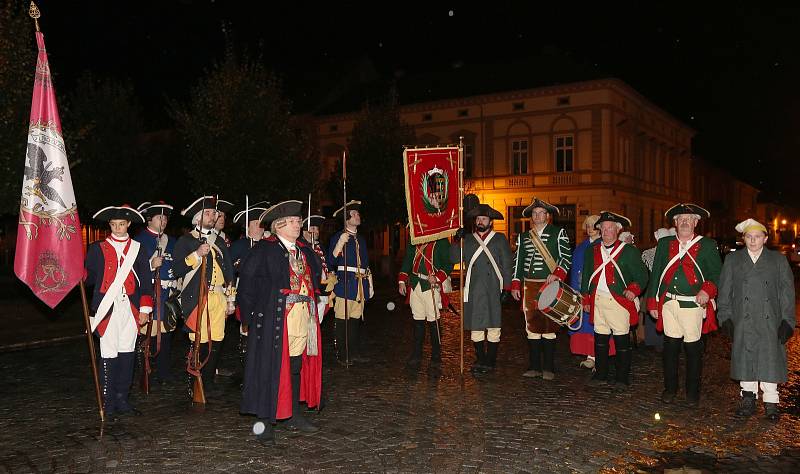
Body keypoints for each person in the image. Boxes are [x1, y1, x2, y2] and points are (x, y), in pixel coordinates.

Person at [238, 200, 323, 443]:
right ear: (279, 225)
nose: (299, 225)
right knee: (269, 368)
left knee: (295, 365)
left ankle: (293, 414)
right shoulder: (264, 250)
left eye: (299, 221)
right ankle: (265, 423)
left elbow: (315, 275)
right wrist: (248, 317)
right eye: (295, 222)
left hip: (301, 316)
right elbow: (247, 284)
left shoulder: (303, 249)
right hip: (273, 319)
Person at [717, 218, 796, 420]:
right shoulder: (733, 260)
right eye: (749, 237)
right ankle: (747, 399)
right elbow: (725, 291)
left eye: (757, 237)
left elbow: (787, 293)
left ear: (765, 239)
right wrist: (724, 316)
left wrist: (788, 320)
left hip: (770, 320)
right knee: (745, 358)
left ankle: (771, 403)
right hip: (742, 319)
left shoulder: (778, 260)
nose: (753, 241)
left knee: (770, 359)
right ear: (744, 239)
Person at [645, 204, 721, 407]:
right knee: (670, 348)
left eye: (690, 219)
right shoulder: (665, 244)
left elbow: (716, 274)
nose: (685, 222)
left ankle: (692, 392)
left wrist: (707, 289)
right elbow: (656, 274)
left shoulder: (707, 244)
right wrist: (652, 301)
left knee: (693, 350)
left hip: (692, 306)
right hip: (669, 303)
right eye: (681, 219)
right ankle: (670, 389)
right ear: (675, 223)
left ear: (696, 223)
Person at [85, 205, 153, 417]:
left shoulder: (138, 248)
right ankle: (108, 401)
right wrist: (78, 272)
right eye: (114, 225)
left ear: (129, 224)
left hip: (130, 308)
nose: (118, 228)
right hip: (106, 309)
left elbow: (146, 281)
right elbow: (90, 278)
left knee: (127, 352)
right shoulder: (97, 248)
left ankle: (123, 399)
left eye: (122, 224)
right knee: (108, 352)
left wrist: (144, 308)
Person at [173, 196, 236, 395]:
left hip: (218, 297)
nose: (213, 216)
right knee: (198, 341)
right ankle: (195, 381)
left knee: (216, 341)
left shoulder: (219, 241)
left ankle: (207, 382)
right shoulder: (186, 241)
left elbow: (229, 273)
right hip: (197, 297)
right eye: (208, 213)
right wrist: (196, 255)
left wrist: (231, 299)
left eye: (214, 213)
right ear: (198, 218)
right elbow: (177, 269)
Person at [581, 211, 648, 390]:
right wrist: (585, 298)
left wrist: (633, 290)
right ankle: (601, 374)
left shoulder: (629, 251)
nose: (607, 231)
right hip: (598, 301)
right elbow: (587, 276)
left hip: (619, 301)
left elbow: (642, 275)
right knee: (600, 340)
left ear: (617, 230)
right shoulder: (592, 250)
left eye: (611, 228)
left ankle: (622, 377)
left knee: (621, 342)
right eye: (603, 228)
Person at [510, 198, 572, 380]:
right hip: (529, 285)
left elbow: (566, 257)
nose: (537, 216)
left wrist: (558, 274)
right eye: (534, 213)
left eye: (541, 213)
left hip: (550, 285)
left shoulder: (558, 233)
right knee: (532, 325)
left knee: (550, 325)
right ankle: (534, 366)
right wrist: (515, 283)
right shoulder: (523, 237)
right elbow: (518, 262)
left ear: (547, 216)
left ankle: (549, 368)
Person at [451, 203, 513, 373]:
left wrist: (507, 288)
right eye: (478, 218)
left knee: (494, 325)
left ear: (490, 222)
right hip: (474, 289)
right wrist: (457, 240)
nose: (480, 221)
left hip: (493, 288)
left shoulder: (499, 239)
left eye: (484, 218)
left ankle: (491, 360)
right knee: (476, 325)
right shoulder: (468, 239)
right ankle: (481, 359)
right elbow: (454, 258)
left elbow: (507, 265)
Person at [134, 201, 178, 384]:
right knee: (147, 337)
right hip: (149, 292)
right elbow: (133, 269)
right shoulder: (139, 240)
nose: (164, 221)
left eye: (166, 218)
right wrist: (151, 266)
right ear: (149, 220)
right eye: (160, 217)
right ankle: (144, 371)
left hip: (167, 296)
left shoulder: (172, 241)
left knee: (166, 336)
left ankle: (164, 372)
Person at [397, 237, 454, 369]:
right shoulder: (415, 240)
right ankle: (417, 354)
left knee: (433, 321)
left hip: (431, 285)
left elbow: (448, 264)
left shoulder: (441, 241)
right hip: (415, 283)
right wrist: (402, 280)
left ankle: (436, 355)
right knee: (418, 321)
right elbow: (407, 260)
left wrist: (438, 277)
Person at [328, 200, 373, 364]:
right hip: (345, 284)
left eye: (357, 214)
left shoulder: (361, 239)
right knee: (342, 321)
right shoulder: (338, 237)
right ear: (347, 219)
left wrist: (370, 282)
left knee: (355, 320)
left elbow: (365, 263)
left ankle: (353, 352)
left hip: (360, 285)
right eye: (354, 214)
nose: (357, 216)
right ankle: (343, 353)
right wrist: (340, 243)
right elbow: (331, 260)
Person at [568, 214, 611, 369]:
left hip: (600, 292)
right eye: (587, 225)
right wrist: (575, 291)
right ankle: (590, 355)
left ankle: (601, 357)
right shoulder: (580, 248)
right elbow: (575, 271)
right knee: (586, 324)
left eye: (593, 225)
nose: (590, 228)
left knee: (600, 325)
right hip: (582, 292)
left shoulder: (605, 245)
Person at [640, 227, 675, 352]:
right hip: (656, 287)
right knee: (655, 313)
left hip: (663, 288)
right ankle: (658, 341)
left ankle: (663, 341)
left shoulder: (672, 252)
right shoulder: (650, 254)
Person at [302, 214, 336, 325]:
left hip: (323, 287)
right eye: (312, 228)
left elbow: (327, 262)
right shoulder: (301, 246)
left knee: (318, 319)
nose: (316, 231)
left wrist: (331, 273)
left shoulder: (320, 245)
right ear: (304, 231)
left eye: (317, 229)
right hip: (310, 288)